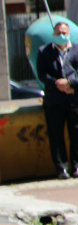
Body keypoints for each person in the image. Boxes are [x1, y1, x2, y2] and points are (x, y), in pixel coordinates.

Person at [36, 20, 78, 179]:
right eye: (58, 33)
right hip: (54, 101)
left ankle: (76, 167)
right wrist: (57, 84)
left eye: (64, 33)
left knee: (76, 133)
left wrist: (69, 83)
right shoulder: (44, 51)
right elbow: (42, 74)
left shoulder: (76, 50)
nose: (61, 35)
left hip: (74, 99)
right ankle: (62, 169)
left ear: (69, 34)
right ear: (53, 34)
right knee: (56, 135)